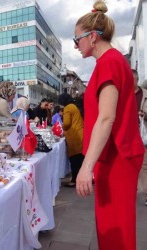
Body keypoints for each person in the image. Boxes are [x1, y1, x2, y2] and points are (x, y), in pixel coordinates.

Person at [74, 2, 145, 249]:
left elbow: (106, 118)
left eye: (77, 40)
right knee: (112, 227)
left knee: (116, 231)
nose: (76, 46)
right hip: (114, 156)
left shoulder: (109, 63)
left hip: (116, 157)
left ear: (92, 37)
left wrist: (86, 166)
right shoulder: (112, 61)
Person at [58, 93, 83, 187]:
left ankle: (75, 180)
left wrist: (62, 126)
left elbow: (67, 123)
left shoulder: (68, 108)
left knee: (75, 160)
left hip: (74, 136)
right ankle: (78, 179)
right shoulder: (74, 106)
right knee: (80, 159)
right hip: (79, 134)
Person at [133, 69, 147, 206]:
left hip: (143, 134)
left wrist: (145, 114)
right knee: (130, 165)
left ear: (137, 80)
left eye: (133, 80)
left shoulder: (145, 94)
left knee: (144, 166)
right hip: (128, 135)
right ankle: (131, 191)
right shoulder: (123, 94)